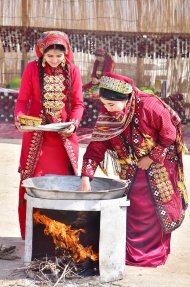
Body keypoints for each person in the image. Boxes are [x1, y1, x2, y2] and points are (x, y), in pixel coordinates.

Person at [77, 72, 188, 267]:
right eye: (104, 104)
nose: (108, 110)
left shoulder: (150, 106)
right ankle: (132, 253)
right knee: (132, 207)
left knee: (154, 209)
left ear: (126, 99)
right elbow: (95, 148)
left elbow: (170, 133)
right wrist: (86, 177)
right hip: (130, 166)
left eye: (111, 105)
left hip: (159, 164)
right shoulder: (108, 115)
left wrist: (152, 157)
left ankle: (153, 254)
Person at [14, 31, 84, 240]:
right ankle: (33, 237)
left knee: (63, 186)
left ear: (66, 54)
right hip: (37, 137)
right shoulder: (31, 69)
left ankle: (62, 237)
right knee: (34, 183)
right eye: (50, 56)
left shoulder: (72, 70)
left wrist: (74, 123)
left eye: (59, 56)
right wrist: (20, 120)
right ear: (42, 53)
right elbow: (21, 102)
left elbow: (78, 104)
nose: (54, 60)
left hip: (64, 138)